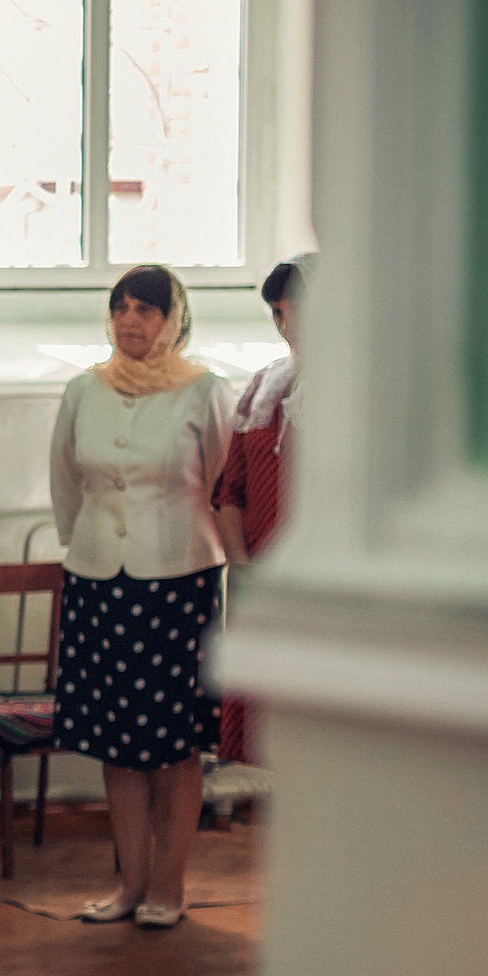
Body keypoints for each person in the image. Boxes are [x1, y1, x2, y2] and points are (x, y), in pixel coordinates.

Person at [48, 264, 236, 930]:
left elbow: (223, 483)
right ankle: (128, 884)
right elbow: (65, 481)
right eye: (121, 307)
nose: (131, 319)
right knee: (116, 741)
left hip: (179, 581)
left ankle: (168, 885)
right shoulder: (83, 389)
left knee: (174, 743)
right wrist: (84, 544)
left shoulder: (204, 390)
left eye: (146, 309)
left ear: (173, 319)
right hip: (98, 579)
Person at [210, 257, 308, 767]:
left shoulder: (358, 395)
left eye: (298, 309)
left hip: (315, 581)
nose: (287, 324)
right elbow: (229, 491)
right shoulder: (260, 388)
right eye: (277, 312)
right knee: (257, 715)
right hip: (256, 574)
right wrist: (241, 565)